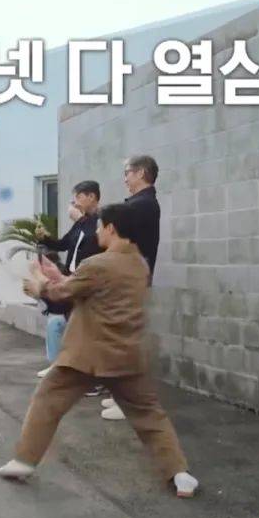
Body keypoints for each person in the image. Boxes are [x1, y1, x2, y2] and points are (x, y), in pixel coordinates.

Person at [0, 203, 199, 498]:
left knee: (46, 401)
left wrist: (41, 284)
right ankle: (180, 474)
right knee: (150, 416)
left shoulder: (98, 264)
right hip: (128, 356)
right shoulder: (139, 265)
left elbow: (63, 294)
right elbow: (90, 289)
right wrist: (57, 276)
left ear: (111, 229)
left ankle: (24, 461)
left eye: (100, 226)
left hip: (87, 355)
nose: (96, 232)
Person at [101, 155, 162, 420]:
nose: (125, 178)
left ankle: (130, 402)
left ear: (141, 173)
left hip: (131, 280)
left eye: (127, 172)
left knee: (126, 344)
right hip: (130, 278)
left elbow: (116, 231)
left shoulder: (143, 205)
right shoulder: (141, 204)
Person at [34, 181, 102, 381]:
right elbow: (63, 244)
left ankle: (86, 376)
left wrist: (80, 218)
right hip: (70, 279)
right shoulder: (81, 222)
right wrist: (45, 238)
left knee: (80, 328)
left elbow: (96, 244)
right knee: (58, 321)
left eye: (78, 197)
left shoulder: (99, 221)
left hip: (86, 282)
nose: (75, 203)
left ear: (91, 197)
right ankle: (58, 367)